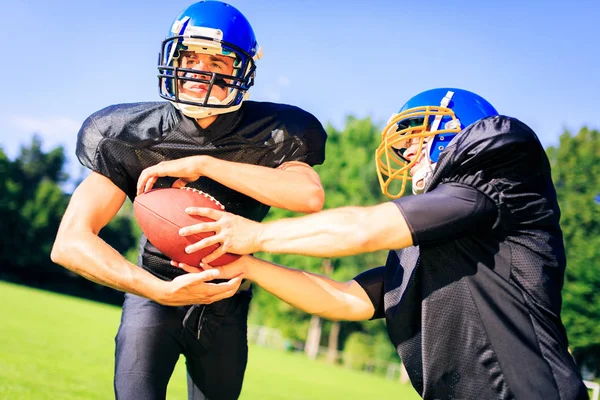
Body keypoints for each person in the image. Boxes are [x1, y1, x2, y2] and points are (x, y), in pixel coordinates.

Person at [173, 88, 590, 399]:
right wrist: (248, 265)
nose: (408, 156)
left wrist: (259, 235)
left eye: (416, 138)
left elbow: (364, 228)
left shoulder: (496, 181)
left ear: (461, 131)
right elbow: (344, 299)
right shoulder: (426, 241)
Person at [50, 1, 327, 399]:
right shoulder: (130, 133)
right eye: (189, 56)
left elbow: (308, 196)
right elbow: (70, 243)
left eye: (217, 61)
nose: (199, 70)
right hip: (153, 294)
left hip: (227, 298)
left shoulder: (276, 132)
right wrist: (158, 290)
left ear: (242, 70)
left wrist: (205, 164)